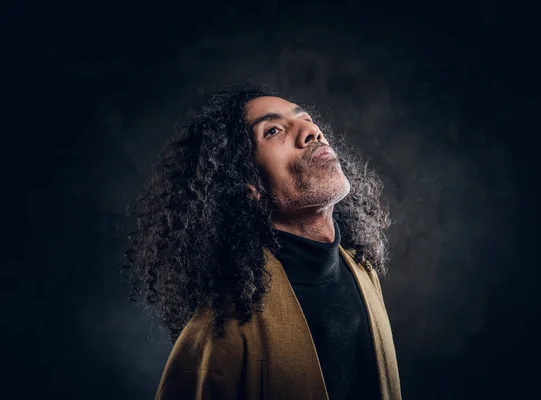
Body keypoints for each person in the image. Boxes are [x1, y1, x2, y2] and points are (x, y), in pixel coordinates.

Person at [123, 83, 402, 399]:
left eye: (306, 118)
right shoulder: (224, 327)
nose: (311, 131)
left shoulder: (363, 273)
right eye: (273, 132)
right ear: (249, 184)